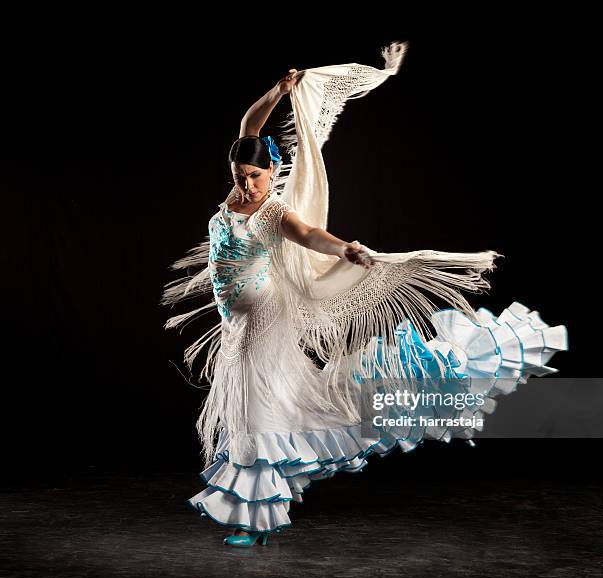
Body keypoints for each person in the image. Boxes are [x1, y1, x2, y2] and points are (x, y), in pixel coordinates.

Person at [161, 42, 568, 547]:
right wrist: (278, 91)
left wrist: (346, 249)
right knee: (262, 407)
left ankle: (254, 518)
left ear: (272, 173)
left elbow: (311, 236)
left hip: (264, 318)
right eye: (238, 178)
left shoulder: (274, 212)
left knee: (256, 410)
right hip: (235, 322)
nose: (243, 186)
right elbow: (250, 126)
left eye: (253, 178)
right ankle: (257, 502)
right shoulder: (240, 181)